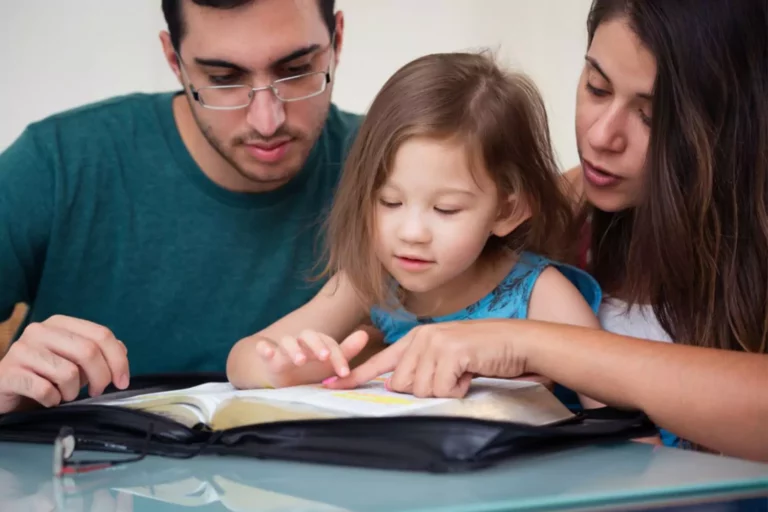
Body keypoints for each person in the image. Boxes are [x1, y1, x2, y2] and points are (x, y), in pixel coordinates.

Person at [326, 0, 768, 462]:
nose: (602, 137)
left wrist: (530, 344)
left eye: (651, 116)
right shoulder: (541, 220)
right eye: (597, 87)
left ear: (737, 123)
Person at [0, 0, 361, 414]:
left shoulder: (402, 168)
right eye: (224, 79)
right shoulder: (60, 162)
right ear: (175, 60)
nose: (267, 121)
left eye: (297, 70)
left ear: (337, 40)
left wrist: (456, 335)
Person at [227, 51, 602, 411]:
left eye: (445, 209)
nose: (411, 232)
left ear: (508, 209)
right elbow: (244, 357)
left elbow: (617, 415)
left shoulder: (541, 294)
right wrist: (279, 367)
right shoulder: (369, 280)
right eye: (389, 202)